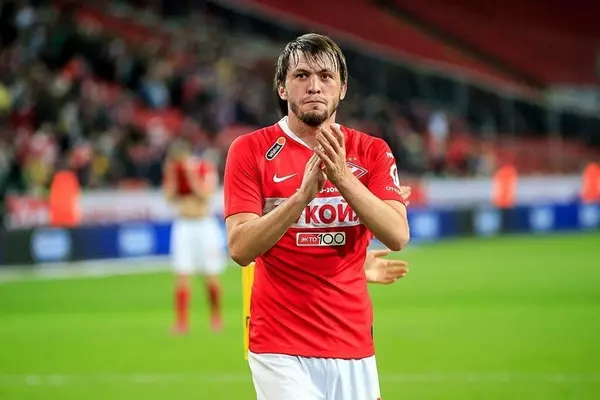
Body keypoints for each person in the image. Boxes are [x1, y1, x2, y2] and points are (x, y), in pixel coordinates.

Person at [223, 33, 410, 399]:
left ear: (342, 88)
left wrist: (342, 179)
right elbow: (240, 248)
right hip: (278, 344)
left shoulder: (372, 151)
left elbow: (398, 235)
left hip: (353, 342)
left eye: (326, 76)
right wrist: (301, 197)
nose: (314, 86)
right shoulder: (250, 150)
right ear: (282, 87)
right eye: (301, 76)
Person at [163, 139, 226, 334]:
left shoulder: (204, 168)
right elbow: (169, 198)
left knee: (210, 275)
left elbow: (206, 195)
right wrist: (172, 176)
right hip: (183, 225)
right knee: (182, 273)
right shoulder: (175, 171)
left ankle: (216, 317)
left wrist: (191, 176)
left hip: (204, 225)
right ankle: (182, 322)